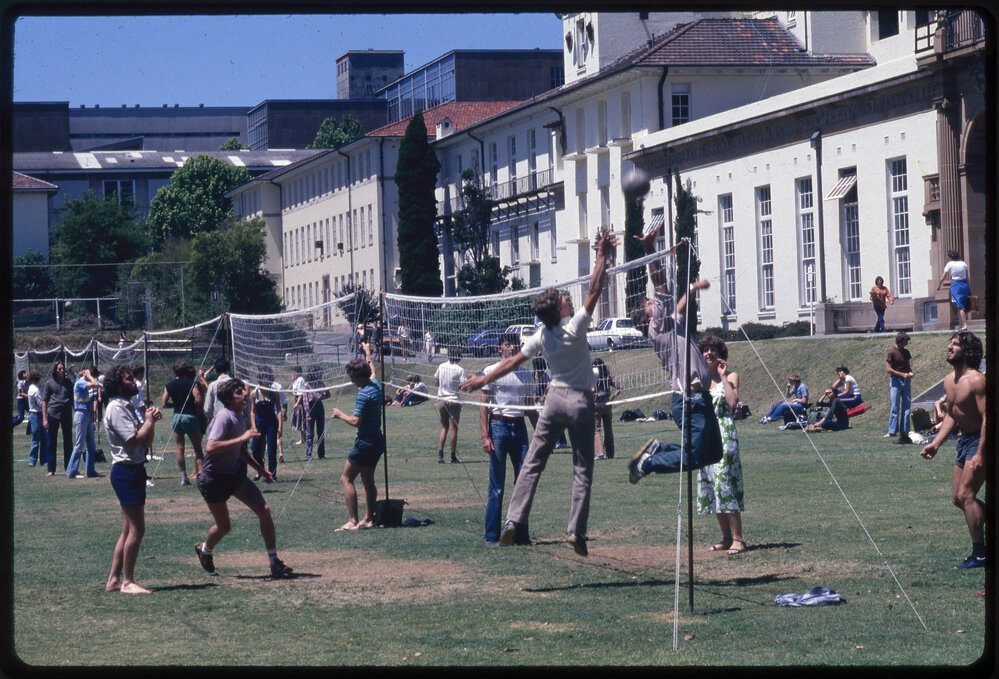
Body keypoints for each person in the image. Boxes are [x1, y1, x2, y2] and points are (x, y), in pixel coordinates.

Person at [461, 231, 619, 557]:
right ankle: (576, 529)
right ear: (560, 309)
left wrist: (481, 380)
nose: (566, 298)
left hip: (552, 401)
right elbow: (595, 289)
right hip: (578, 400)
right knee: (582, 468)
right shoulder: (574, 326)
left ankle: (513, 521)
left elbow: (512, 363)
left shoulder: (541, 335)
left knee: (532, 464)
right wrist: (602, 254)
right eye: (562, 298)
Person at [624, 226, 723, 483]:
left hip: (700, 396)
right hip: (688, 399)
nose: (655, 303)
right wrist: (649, 248)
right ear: (648, 315)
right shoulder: (656, 325)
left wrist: (691, 288)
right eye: (650, 303)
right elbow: (661, 285)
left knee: (713, 453)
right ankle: (647, 464)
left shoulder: (668, 325)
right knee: (693, 457)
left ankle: (659, 450)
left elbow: (676, 306)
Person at [194, 378, 293, 579]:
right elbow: (210, 447)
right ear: (229, 399)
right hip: (213, 479)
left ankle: (274, 562)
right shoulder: (224, 417)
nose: (245, 394)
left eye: (244, 391)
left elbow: (240, 451)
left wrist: (262, 470)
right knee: (224, 526)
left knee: (264, 511)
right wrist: (242, 438)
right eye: (239, 392)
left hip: (235, 475)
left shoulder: (241, 417)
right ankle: (205, 550)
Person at [920, 331, 987, 569]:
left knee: (966, 496)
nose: (949, 347)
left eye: (955, 344)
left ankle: (980, 554)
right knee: (958, 499)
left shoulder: (977, 380)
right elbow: (951, 414)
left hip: (981, 441)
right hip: (964, 440)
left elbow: (988, 418)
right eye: (950, 343)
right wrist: (935, 443)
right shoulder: (950, 380)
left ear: (967, 352)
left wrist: (980, 452)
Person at [103, 365, 164, 594]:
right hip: (126, 471)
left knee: (128, 529)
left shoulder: (128, 406)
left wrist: (151, 421)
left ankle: (113, 580)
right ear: (118, 385)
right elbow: (133, 441)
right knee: (137, 529)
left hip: (135, 469)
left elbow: (146, 442)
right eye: (129, 379)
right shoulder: (116, 408)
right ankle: (127, 582)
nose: (134, 382)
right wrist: (148, 420)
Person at [478, 333, 534, 546]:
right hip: (499, 426)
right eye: (507, 345)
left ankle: (521, 535)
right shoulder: (491, 372)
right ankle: (491, 536)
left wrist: (542, 436)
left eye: (515, 345)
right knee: (496, 485)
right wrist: (485, 436)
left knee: (524, 483)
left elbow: (531, 409)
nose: (512, 349)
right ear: (500, 348)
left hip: (519, 428)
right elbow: (483, 406)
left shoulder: (527, 375)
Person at [695, 335, 745, 555]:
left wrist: (723, 377)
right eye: (705, 350)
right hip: (705, 433)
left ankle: (738, 538)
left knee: (725, 482)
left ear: (720, 354)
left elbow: (732, 403)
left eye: (713, 349)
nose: (708, 353)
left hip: (724, 431)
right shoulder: (700, 378)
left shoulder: (731, 375)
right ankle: (725, 538)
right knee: (710, 485)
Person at [330, 342, 383, 531]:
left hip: (365, 442)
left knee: (346, 478)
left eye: (352, 377)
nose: (351, 380)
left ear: (359, 376)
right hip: (377, 441)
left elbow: (355, 421)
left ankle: (353, 521)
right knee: (368, 480)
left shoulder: (363, 395)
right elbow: (374, 369)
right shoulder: (375, 384)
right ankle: (369, 519)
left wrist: (340, 415)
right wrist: (367, 352)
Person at [162, 360, 207, 486]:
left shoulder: (169, 385)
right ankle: (201, 476)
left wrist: (175, 404)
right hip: (189, 416)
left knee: (180, 448)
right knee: (198, 449)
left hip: (177, 416)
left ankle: (183, 476)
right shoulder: (192, 384)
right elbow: (198, 399)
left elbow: (164, 403)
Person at [67, 365, 103, 479]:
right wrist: (88, 375)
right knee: (79, 444)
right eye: (93, 376)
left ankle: (90, 471)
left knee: (91, 445)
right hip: (81, 414)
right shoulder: (80, 383)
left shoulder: (80, 380)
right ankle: (71, 471)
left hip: (86, 414)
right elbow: (96, 384)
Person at [250, 367, 286, 479]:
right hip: (259, 423)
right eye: (264, 377)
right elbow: (252, 411)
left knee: (271, 450)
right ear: (260, 379)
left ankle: (271, 474)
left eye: (268, 377)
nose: (266, 379)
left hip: (271, 423)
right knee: (255, 449)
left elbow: (279, 410)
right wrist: (254, 427)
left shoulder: (274, 393)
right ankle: (260, 470)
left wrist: (280, 426)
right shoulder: (254, 393)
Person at [41, 361, 75, 477]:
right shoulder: (49, 384)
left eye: (63, 369)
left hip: (66, 415)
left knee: (68, 442)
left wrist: (78, 412)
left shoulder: (68, 383)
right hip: (52, 415)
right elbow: (44, 401)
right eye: (59, 369)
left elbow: (73, 400)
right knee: (51, 442)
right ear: (55, 370)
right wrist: (44, 419)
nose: (62, 371)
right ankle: (51, 469)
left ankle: (69, 468)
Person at [434, 346, 466, 464]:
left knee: (444, 427)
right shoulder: (460, 369)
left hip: (442, 400)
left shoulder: (441, 366)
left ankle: (440, 455)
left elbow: (436, 382)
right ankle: (452, 457)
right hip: (453, 400)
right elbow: (463, 386)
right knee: (454, 429)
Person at [885, 331, 914, 444]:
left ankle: (905, 431)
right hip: (896, 381)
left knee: (906, 406)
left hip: (906, 381)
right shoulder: (892, 352)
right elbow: (888, 369)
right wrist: (902, 374)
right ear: (900, 341)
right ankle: (892, 431)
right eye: (905, 342)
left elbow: (908, 366)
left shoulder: (906, 352)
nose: (906, 344)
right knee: (894, 406)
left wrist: (910, 373)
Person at [592, 357, 621, 460]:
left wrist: (594, 397)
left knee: (596, 430)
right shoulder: (607, 377)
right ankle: (609, 454)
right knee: (608, 430)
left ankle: (599, 454)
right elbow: (619, 386)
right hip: (607, 403)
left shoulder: (593, 378)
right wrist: (613, 397)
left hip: (597, 405)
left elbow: (591, 390)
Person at [936, 249, 971, 331]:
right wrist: (968, 286)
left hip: (956, 285)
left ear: (950, 257)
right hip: (964, 284)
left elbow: (943, 276)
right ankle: (960, 324)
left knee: (961, 306)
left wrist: (939, 285)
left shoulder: (949, 264)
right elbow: (967, 276)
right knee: (960, 306)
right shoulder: (963, 263)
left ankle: (965, 324)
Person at [302, 365, 330, 460]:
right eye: (317, 372)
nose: (319, 374)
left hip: (319, 407)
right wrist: (307, 413)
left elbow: (328, 394)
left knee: (320, 432)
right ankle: (308, 455)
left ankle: (321, 454)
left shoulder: (321, 383)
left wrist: (322, 397)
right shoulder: (306, 385)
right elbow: (305, 401)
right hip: (310, 408)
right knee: (310, 434)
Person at [26, 371, 48, 467]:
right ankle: (33, 460)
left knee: (44, 438)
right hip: (36, 415)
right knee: (36, 439)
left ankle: (43, 460)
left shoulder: (33, 388)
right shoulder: (35, 389)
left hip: (37, 414)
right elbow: (40, 403)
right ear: (36, 379)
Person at [290, 365, 306, 446]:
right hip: (295, 399)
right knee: (298, 420)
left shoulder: (300, 380)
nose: (292, 373)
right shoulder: (296, 380)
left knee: (301, 419)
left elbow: (301, 393)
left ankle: (303, 439)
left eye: (294, 371)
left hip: (300, 401)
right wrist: (292, 381)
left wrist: (297, 403)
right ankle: (302, 439)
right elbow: (290, 389)